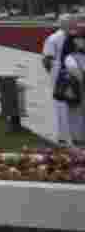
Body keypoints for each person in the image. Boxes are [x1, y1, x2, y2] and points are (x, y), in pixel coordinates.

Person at [55, 16, 85, 146]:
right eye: (79, 40)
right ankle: (77, 139)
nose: (81, 42)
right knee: (75, 114)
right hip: (75, 89)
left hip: (78, 89)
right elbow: (75, 72)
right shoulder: (70, 57)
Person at [44, 14, 72, 145]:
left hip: (59, 74)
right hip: (67, 73)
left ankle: (63, 134)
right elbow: (47, 60)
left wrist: (52, 74)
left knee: (60, 104)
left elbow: (46, 59)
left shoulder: (53, 38)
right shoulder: (58, 38)